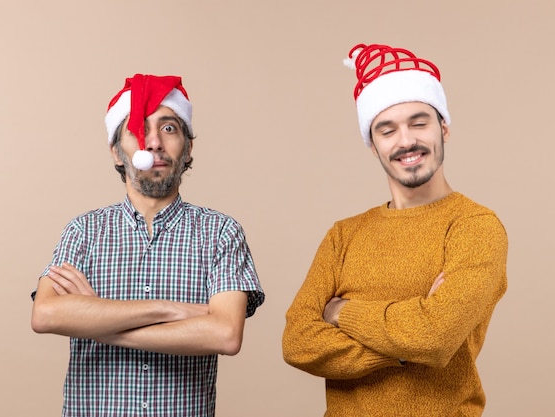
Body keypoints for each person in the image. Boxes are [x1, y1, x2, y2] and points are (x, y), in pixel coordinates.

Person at [282, 44, 508, 416]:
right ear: (373, 146)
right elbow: (298, 343)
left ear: (444, 128)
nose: (406, 141)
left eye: (419, 122)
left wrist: (341, 312)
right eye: (387, 130)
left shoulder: (475, 227)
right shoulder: (344, 235)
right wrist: (406, 343)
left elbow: (435, 338)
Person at [31, 74, 265, 417]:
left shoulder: (221, 232)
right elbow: (46, 314)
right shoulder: (83, 231)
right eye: (138, 129)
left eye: (169, 128)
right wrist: (168, 310)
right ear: (116, 151)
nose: (153, 142)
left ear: (188, 149)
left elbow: (226, 334)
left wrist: (101, 322)